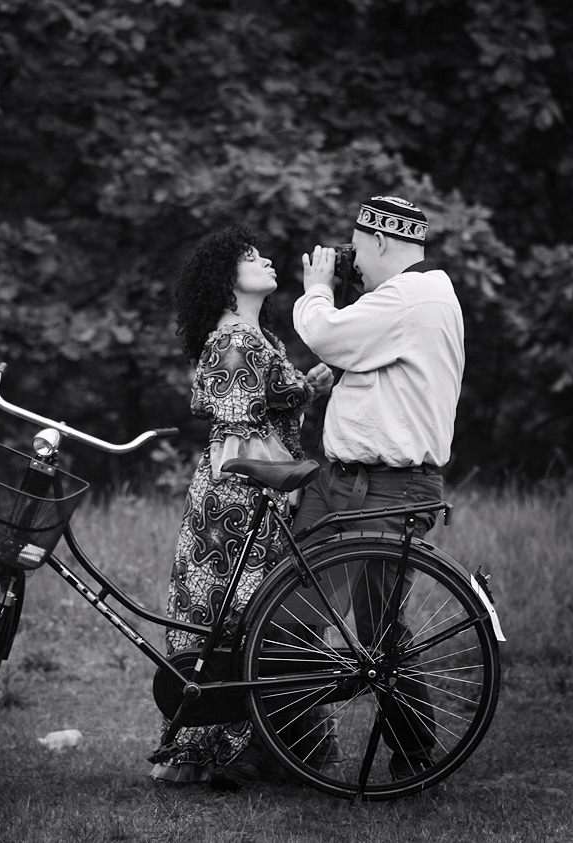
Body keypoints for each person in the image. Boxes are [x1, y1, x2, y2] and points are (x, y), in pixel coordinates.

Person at [150, 225, 332, 790]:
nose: (268, 261)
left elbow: (262, 404)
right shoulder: (235, 339)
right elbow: (240, 429)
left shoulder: (255, 338)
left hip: (247, 496)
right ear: (227, 278)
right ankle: (214, 749)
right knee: (226, 617)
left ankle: (237, 747)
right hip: (237, 501)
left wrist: (305, 388)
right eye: (252, 257)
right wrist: (283, 480)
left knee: (238, 618)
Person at [291, 195, 465, 780]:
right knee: (351, 623)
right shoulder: (428, 295)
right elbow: (397, 369)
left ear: (383, 242)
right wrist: (347, 370)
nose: (353, 263)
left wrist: (318, 287)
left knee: (336, 624)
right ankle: (300, 744)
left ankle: (394, 758)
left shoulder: (405, 297)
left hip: (380, 488)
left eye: (357, 249)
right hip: (359, 481)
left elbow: (324, 331)